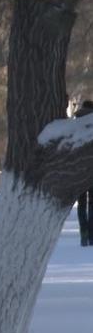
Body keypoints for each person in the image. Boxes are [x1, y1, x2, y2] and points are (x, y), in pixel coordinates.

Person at [75, 100, 93, 246]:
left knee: (81, 203)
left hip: (79, 169)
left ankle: (84, 234)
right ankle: (92, 235)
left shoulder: (76, 124)